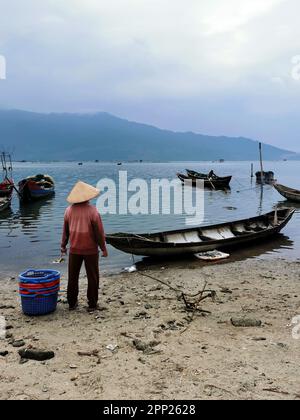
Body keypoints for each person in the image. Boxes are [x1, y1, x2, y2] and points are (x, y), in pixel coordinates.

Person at [61, 181, 108, 312]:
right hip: (90, 250)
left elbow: (65, 231)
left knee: (73, 277)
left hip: (74, 250)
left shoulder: (68, 211)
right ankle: (92, 305)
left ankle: (72, 303)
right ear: (88, 197)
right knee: (93, 277)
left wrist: (63, 246)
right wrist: (103, 248)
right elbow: (99, 233)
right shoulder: (93, 212)